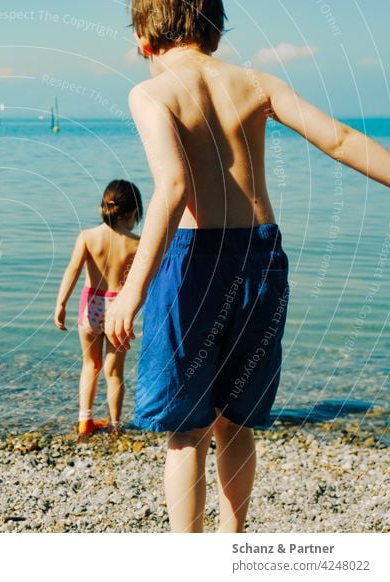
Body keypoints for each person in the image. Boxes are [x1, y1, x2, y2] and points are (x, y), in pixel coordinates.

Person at [105, 0, 390, 532]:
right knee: (235, 420)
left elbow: (172, 187)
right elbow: (341, 139)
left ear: (143, 43)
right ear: (215, 34)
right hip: (261, 258)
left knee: (187, 429)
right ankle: (233, 545)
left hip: (195, 264)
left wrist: (131, 290)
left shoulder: (150, 92)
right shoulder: (257, 83)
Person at [55, 180, 142, 441]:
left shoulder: (87, 236)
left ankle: (85, 421)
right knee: (114, 371)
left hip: (90, 306)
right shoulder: (137, 244)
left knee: (90, 365)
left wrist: (61, 304)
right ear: (134, 213)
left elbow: (72, 270)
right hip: (120, 309)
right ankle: (115, 425)